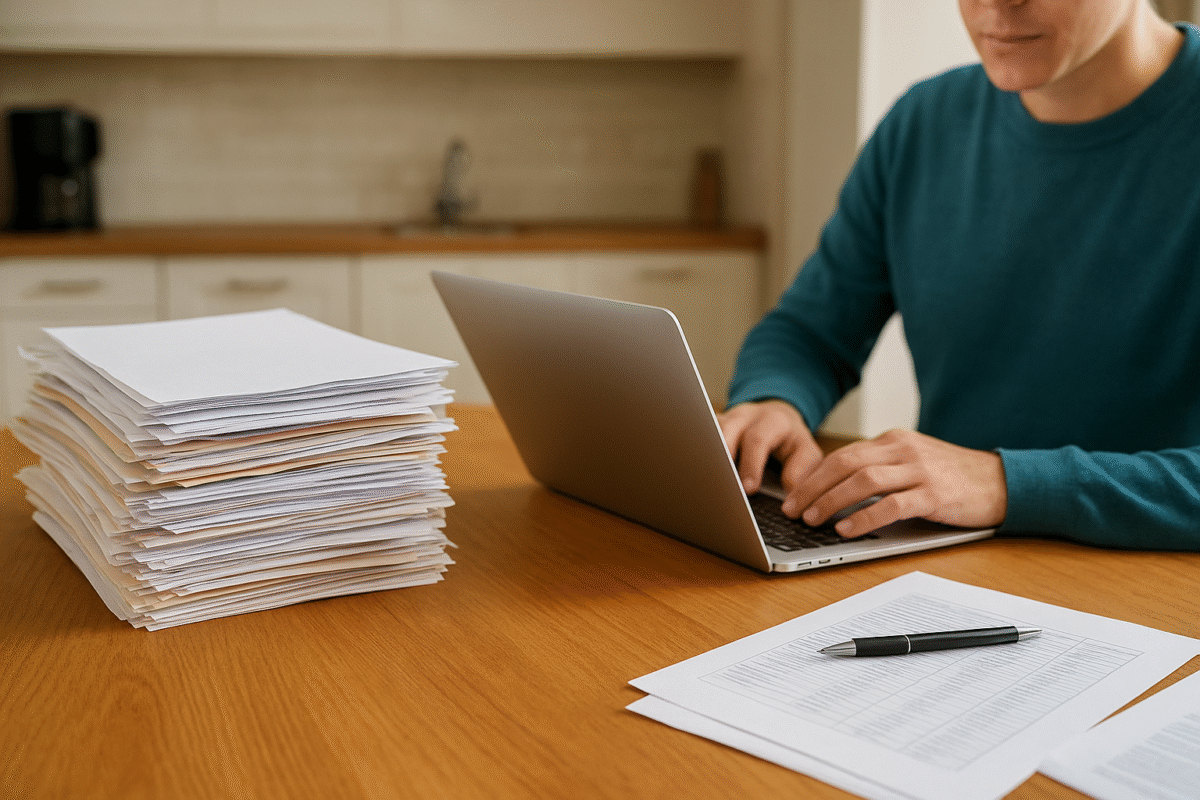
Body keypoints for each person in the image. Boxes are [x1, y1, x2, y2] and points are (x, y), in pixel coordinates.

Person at [719, 0, 1200, 550]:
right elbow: (810, 331)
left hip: (1153, 587)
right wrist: (774, 400)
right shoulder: (925, 121)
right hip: (947, 567)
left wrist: (1007, 483)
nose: (996, 5)